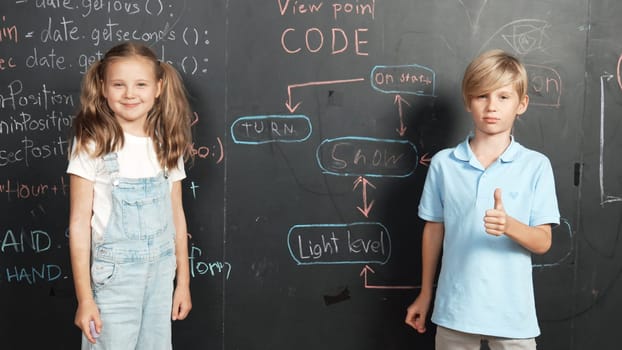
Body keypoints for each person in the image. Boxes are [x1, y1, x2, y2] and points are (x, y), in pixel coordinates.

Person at [404, 49, 560, 349]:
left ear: (521, 104)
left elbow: (543, 242)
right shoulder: (444, 164)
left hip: (513, 315)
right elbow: (434, 230)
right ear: (468, 101)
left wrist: (509, 225)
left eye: (503, 97)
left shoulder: (536, 165)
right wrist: (425, 293)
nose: (492, 107)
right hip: (455, 311)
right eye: (481, 96)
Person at [68, 42, 193, 349]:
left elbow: (177, 215)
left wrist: (184, 284)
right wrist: (85, 299)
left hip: (162, 276)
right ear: (103, 87)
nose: (129, 94)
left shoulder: (166, 143)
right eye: (118, 85)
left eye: (141, 84)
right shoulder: (92, 143)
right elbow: (80, 224)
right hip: (115, 281)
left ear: (158, 88)